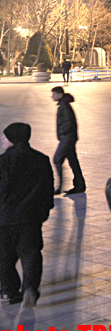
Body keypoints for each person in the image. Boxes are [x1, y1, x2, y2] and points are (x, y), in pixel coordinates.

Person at [0, 123, 55, 307]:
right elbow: (48, 188)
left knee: (4, 256)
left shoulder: (3, 162)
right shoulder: (41, 159)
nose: (2, 139)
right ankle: (30, 288)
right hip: (32, 217)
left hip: (6, 217)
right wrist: (46, 209)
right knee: (30, 253)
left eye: (5, 137)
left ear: (13, 139)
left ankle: (9, 291)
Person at [51, 86, 85, 194]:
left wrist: (62, 132)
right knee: (73, 161)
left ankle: (60, 186)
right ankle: (79, 185)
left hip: (67, 138)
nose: (52, 96)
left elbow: (68, 122)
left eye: (54, 94)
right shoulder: (63, 105)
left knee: (57, 159)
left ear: (60, 94)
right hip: (69, 137)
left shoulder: (64, 106)